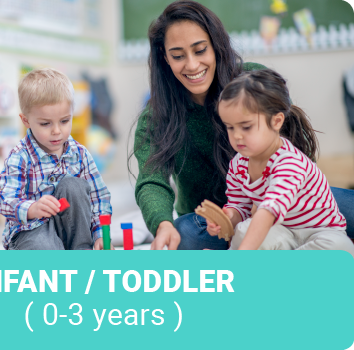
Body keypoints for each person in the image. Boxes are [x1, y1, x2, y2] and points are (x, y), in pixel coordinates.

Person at [132, 0, 354, 250]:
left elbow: (293, 154)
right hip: (223, 216)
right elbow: (152, 180)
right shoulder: (156, 115)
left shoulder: (251, 83)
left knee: (332, 214)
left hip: (285, 196)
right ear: (165, 57)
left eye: (200, 50)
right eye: (178, 56)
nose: (192, 65)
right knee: (184, 232)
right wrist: (163, 223)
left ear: (215, 46)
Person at [209, 69, 354, 255]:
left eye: (246, 127)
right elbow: (240, 206)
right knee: (245, 229)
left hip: (319, 233)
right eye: (230, 127)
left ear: (276, 122)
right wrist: (228, 218)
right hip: (282, 231)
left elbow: (268, 211)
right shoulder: (238, 165)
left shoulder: (290, 163)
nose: (237, 136)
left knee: (339, 249)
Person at [0, 68, 112, 250]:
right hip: (31, 230)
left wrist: (99, 235)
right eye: (45, 123)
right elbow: (5, 199)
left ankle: (81, 249)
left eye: (65, 121)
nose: (57, 131)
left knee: (73, 186)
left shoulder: (80, 154)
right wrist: (32, 208)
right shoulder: (20, 157)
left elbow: (99, 197)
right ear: (25, 120)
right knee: (45, 250)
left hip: (71, 231)